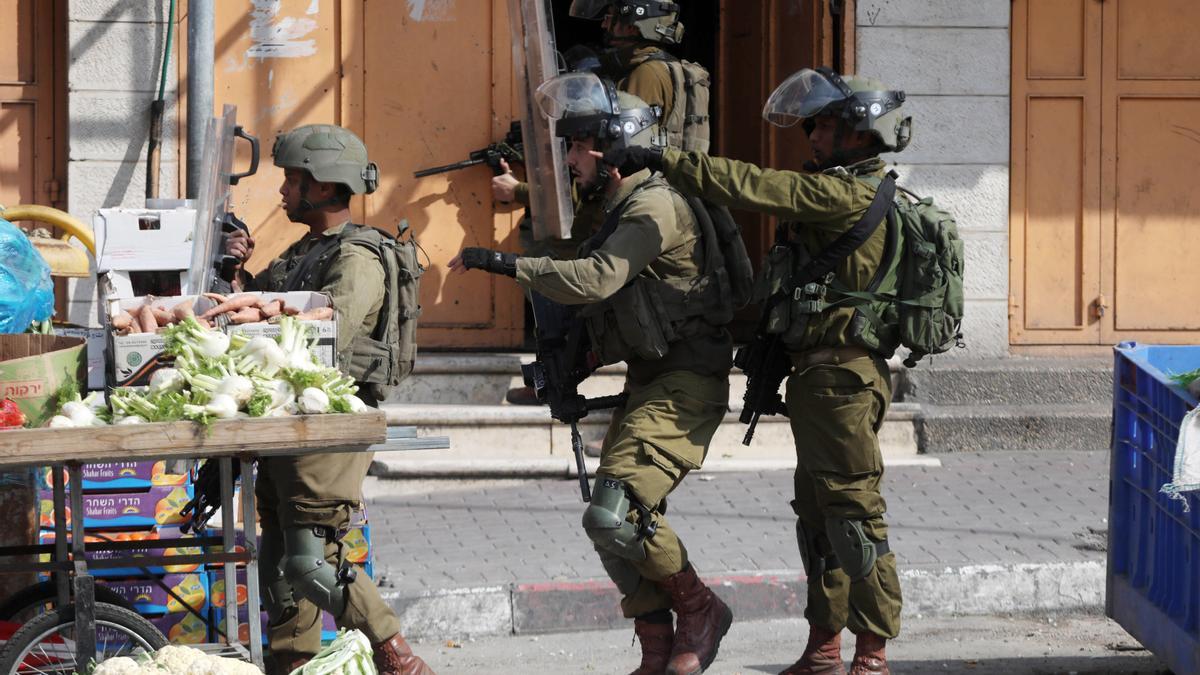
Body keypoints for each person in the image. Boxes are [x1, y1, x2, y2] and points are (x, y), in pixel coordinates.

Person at [601, 67, 914, 675]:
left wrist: (666, 159)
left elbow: (753, 185)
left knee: (853, 518)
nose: (811, 137)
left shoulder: (847, 195)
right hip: (817, 380)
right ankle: (824, 650)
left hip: (846, 379)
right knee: (818, 521)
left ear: (858, 134)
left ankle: (872, 655)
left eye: (822, 125)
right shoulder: (836, 187)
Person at [450, 73, 734, 675]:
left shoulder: (652, 204)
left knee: (614, 511)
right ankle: (656, 652)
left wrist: (503, 262)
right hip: (649, 379)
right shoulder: (612, 206)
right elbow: (607, 298)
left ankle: (701, 608)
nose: (570, 159)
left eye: (577, 147)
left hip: (686, 382)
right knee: (608, 527)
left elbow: (598, 278)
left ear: (608, 148)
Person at [224, 124, 434, 675]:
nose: (283, 191)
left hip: (331, 422)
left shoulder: (358, 258)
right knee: (280, 565)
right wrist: (234, 270)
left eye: (292, 180)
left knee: (311, 561)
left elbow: (329, 333)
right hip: (291, 420)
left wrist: (269, 316)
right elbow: (254, 304)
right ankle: (294, 663)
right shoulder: (305, 252)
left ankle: (400, 660)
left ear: (322, 184)